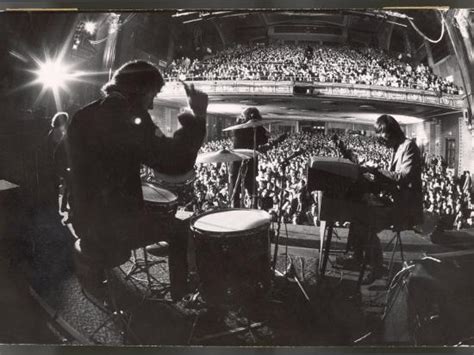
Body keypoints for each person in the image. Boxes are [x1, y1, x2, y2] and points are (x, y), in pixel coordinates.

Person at [66, 60, 207, 300]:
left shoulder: (82, 114)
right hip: (111, 228)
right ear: (140, 90)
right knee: (181, 226)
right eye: (152, 95)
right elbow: (174, 163)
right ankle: (183, 294)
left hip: (82, 220)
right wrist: (198, 115)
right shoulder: (128, 115)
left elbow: (63, 162)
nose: (151, 104)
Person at [349, 114, 423, 284]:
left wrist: (377, 171)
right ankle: (358, 258)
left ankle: (377, 267)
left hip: (405, 208)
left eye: (383, 136)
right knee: (357, 211)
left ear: (391, 132)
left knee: (364, 222)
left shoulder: (409, 146)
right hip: (396, 201)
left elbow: (403, 178)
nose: (382, 141)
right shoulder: (397, 147)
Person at [229, 107, 270, 208]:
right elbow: (264, 140)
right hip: (248, 160)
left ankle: (235, 204)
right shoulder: (256, 128)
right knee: (250, 187)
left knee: (235, 186)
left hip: (237, 159)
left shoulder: (238, 127)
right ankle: (252, 205)